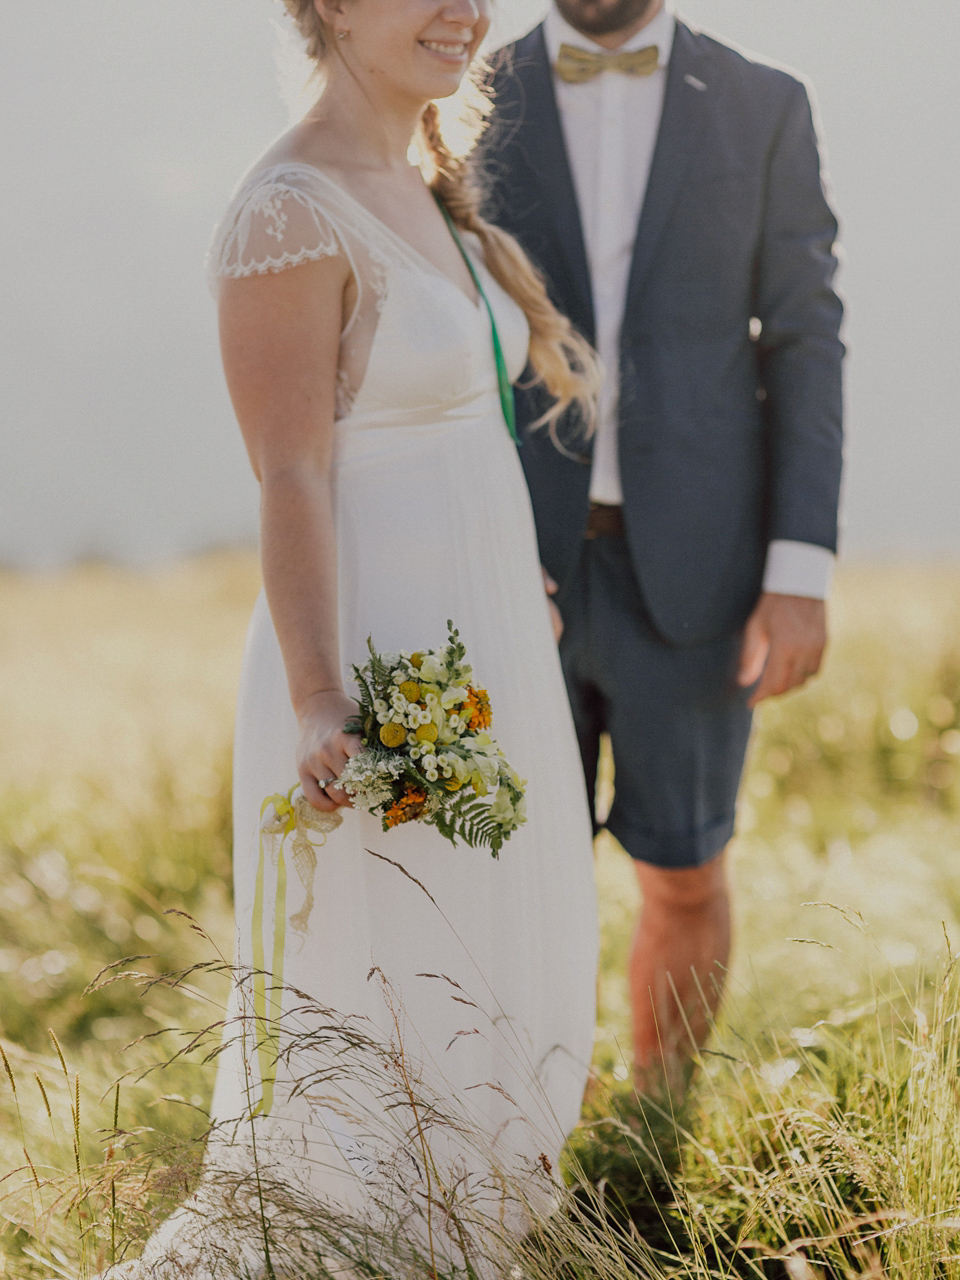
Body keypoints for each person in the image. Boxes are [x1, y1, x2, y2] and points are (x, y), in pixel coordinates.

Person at [106, 1, 602, 1274]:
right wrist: (325, 698)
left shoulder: (421, 182)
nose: (464, 10)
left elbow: (448, 446)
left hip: (488, 671)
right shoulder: (287, 211)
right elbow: (294, 478)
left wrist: (510, 582)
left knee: (482, 991)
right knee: (383, 1010)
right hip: (379, 689)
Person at [482, 0, 844, 1094]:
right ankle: (518, 1124)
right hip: (508, 566)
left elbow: (806, 339)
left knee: (685, 869)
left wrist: (799, 571)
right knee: (501, 873)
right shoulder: (463, 95)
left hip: (700, 574)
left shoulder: (764, 104)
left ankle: (656, 1115)